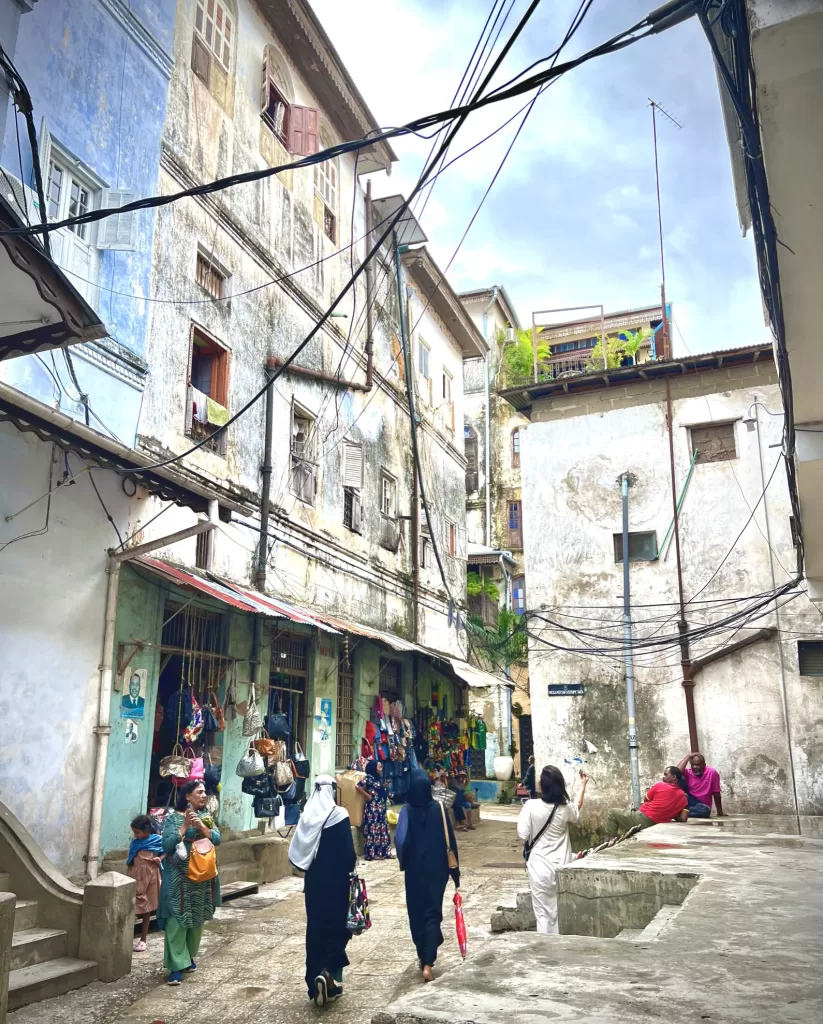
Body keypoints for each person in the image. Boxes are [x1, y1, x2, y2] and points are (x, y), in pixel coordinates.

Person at [289, 775, 356, 1007]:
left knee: (316, 930)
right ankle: (327, 971)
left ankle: (317, 978)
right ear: (332, 791)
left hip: (314, 884)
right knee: (339, 929)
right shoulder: (339, 815)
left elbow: (299, 854)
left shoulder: (307, 816)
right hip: (337, 883)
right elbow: (349, 855)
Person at [396, 768, 460, 982]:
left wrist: (402, 862)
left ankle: (423, 954)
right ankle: (428, 963)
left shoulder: (406, 811)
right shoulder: (439, 809)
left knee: (416, 913)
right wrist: (455, 874)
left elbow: (401, 841)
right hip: (437, 871)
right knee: (433, 913)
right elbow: (451, 842)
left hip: (414, 871)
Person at [159, 780, 221, 985]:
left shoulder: (206, 817)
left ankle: (188, 957)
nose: (203, 795)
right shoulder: (172, 819)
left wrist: (202, 826)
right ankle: (176, 965)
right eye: (199, 792)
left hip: (202, 877)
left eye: (205, 792)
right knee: (177, 918)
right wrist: (185, 826)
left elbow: (218, 839)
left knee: (196, 918)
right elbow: (167, 845)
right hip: (178, 877)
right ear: (187, 796)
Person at [517, 766, 588, 934]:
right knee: (558, 911)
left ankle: (546, 949)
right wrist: (583, 785)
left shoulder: (530, 806)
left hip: (539, 867)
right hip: (562, 865)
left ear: (542, 785)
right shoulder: (565, 808)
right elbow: (577, 808)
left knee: (542, 913)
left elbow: (522, 835)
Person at [605, 766, 689, 837]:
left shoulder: (660, 785)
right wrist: (670, 812)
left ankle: (609, 843)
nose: (663, 777)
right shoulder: (684, 797)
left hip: (645, 818)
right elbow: (683, 818)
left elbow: (646, 799)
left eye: (666, 775)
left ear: (674, 777)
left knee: (612, 813)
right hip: (656, 822)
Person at [127, 814, 164, 952]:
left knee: (147, 909)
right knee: (133, 906)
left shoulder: (156, 840)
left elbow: (166, 851)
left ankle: (143, 939)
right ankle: (127, 936)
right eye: (134, 832)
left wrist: (160, 859)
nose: (135, 835)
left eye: (137, 832)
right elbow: (131, 860)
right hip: (135, 877)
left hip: (151, 878)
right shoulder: (135, 843)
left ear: (147, 830)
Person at [357, 760, 392, 860]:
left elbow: (380, 789)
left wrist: (384, 787)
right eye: (379, 767)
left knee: (383, 829)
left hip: (381, 807)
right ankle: (372, 854)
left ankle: (384, 852)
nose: (381, 769)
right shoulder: (368, 778)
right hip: (372, 808)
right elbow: (357, 786)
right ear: (373, 768)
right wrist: (367, 795)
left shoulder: (380, 778)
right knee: (373, 830)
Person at [678, 752, 724, 817]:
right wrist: (688, 756)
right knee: (681, 779)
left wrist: (720, 812)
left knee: (705, 811)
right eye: (692, 764)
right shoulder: (688, 772)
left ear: (704, 765)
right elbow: (676, 773)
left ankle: (680, 811)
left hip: (701, 805)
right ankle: (681, 811)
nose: (694, 767)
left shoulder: (712, 772)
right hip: (688, 798)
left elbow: (716, 793)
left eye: (697, 765)